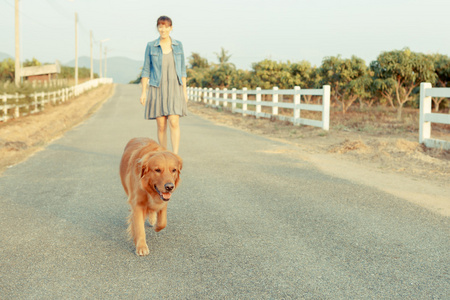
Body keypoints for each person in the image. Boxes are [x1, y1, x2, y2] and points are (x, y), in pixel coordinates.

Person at [140, 15, 187, 155]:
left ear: (171, 28)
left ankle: (175, 155)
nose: (163, 29)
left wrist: (184, 91)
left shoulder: (178, 45)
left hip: (175, 87)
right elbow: (146, 69)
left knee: (174, 121)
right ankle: (164, 154)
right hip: (157, 88)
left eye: (166, 26)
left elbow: (183, 69)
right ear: (157, 28)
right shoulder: (151, 46)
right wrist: (143, 92)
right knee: (161, 125)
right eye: (160, 26)